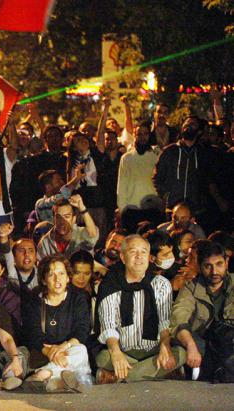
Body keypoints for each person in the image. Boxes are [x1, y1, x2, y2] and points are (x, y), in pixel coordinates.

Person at [96, 235, 186, 383]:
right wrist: (116, 352)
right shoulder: (109, 285)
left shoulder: (161, 284)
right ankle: (160, 373)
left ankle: (118, 376)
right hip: (124, 349)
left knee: (180, 353)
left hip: (153, 350)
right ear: (123, 257)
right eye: (133, 252)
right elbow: (108, 326)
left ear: (149, 257)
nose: (139, 257)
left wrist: (165, 345)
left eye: (143, 252)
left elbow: (164, 321)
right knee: (103, 357)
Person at [22, 256, 92, 392]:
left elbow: (82, 330)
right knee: (79, 358)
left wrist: (63, 346)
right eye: (51, 274)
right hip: (44, 352)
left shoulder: (78, 298)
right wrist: (50, 352)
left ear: (67, 278)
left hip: (70, 350)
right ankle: (63, 381)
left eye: (61, 273)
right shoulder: (35, 300)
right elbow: (33, 334)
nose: (57, 279)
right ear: (43, 279)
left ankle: (43, 375)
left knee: (81, 350)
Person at [170, 243, 234, 382]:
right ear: (200, 266)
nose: (214, 271)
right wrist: (191, 345)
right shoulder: (190, 287)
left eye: (219, 264)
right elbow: (179, 318)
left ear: (227, 262)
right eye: (208, 266)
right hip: (203, 342)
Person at [153, 116, 215, 214]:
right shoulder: (169, 151)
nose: (188, 125)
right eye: (186, 123)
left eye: (193, 124)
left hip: (196, 211)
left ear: (199, 132)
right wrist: (166, 195)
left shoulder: (202, 154)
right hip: (173, 210)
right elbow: (157, 178)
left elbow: (208, 180)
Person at [117, 122, 163, 233]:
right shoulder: (126, 158)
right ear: (134, 135)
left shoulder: (157, 155)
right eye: (139, 134)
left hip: (152, 208)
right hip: (131, 210)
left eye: (145, 133)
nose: (142, 137)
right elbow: (121, 186)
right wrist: (122, 209)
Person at [37, 196, 99, 260]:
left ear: (74, 219)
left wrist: (82, 208)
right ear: (53, 219)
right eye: (58, 217)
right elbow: (41, 266)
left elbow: (93, 235)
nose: (62, 221)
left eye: (66, 216)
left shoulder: (81, 234)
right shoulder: (45, 242)